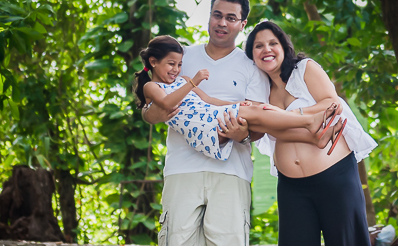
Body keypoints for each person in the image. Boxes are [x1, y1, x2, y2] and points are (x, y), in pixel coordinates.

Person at [141, 0, 344, 246]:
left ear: (241, 24)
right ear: (209, 17)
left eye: (231, 18)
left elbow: (256, 124)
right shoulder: (182, 56)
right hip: (182, 169)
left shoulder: (250, 66)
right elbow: (153, 103)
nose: (222, 23)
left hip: (232, 171)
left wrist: (240, 134)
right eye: (216, 15)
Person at [246, 20, 384, 246]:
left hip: (336, 177)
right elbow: (257, 125)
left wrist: (281, 116)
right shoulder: (258, 90)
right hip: (292, 187)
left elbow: (331, 105)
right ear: (252, 55)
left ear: (284, 45)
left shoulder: (306, 69)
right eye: (258, 46)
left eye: (272, 42)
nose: (266, 50)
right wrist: (294, 120)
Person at [135, 35, 342, 160]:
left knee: (260, 120)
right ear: (153, 62)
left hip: (212, 116)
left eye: (179, 65)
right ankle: (309, 121)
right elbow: (165, 103)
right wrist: (193, 82)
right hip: (201, 127)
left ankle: (314, 135)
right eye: (171, 64)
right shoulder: (152, 87)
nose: (176, 69)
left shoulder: (183, 80)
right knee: (259, 112)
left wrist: (237, 104)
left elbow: (209, 100)